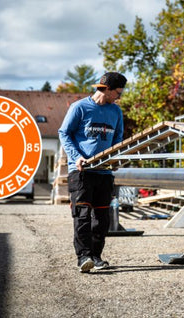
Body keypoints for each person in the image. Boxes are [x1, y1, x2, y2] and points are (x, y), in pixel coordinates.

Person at [58, 72, 127, 273]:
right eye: (118, 93)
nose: (119, 97)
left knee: (102, 218)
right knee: (82, 215)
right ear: (106, 89)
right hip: (81, 171)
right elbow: (64, 133)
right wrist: (76, 156)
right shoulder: (79, 107)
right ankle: (84, 257)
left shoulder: (116, 112)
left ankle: (96, 256)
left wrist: (116, 159)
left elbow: (118, 139)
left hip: (104, 173)